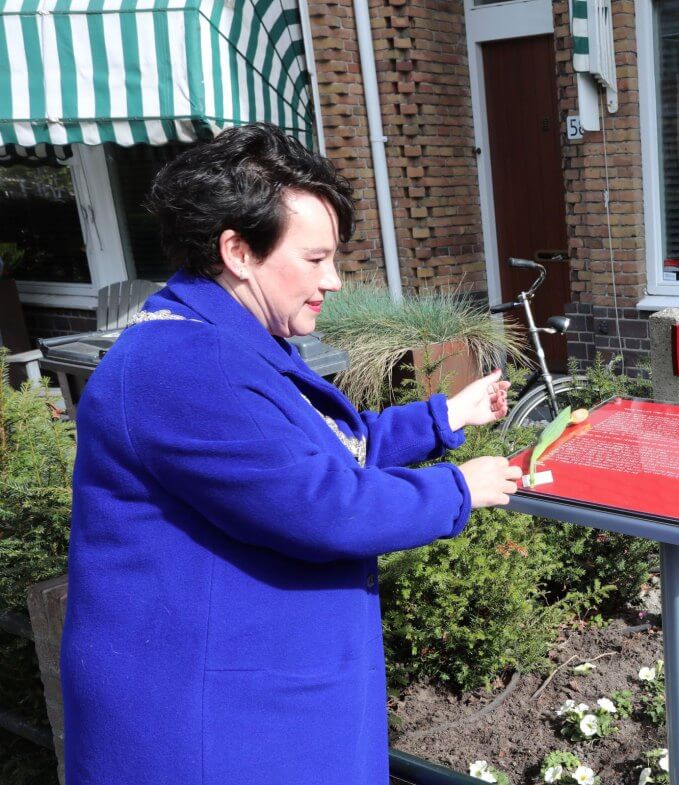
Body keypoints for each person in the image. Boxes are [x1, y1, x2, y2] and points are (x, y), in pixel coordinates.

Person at [59, 123, 522, 785]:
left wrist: (446, 415)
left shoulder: (225, 338)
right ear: (238, 250)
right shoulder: (179, 366)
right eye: (315, 258)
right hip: (212, 733)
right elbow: (323, 505)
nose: (333, 280)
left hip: (249, 710)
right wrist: (459, 488)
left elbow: (320, 449)